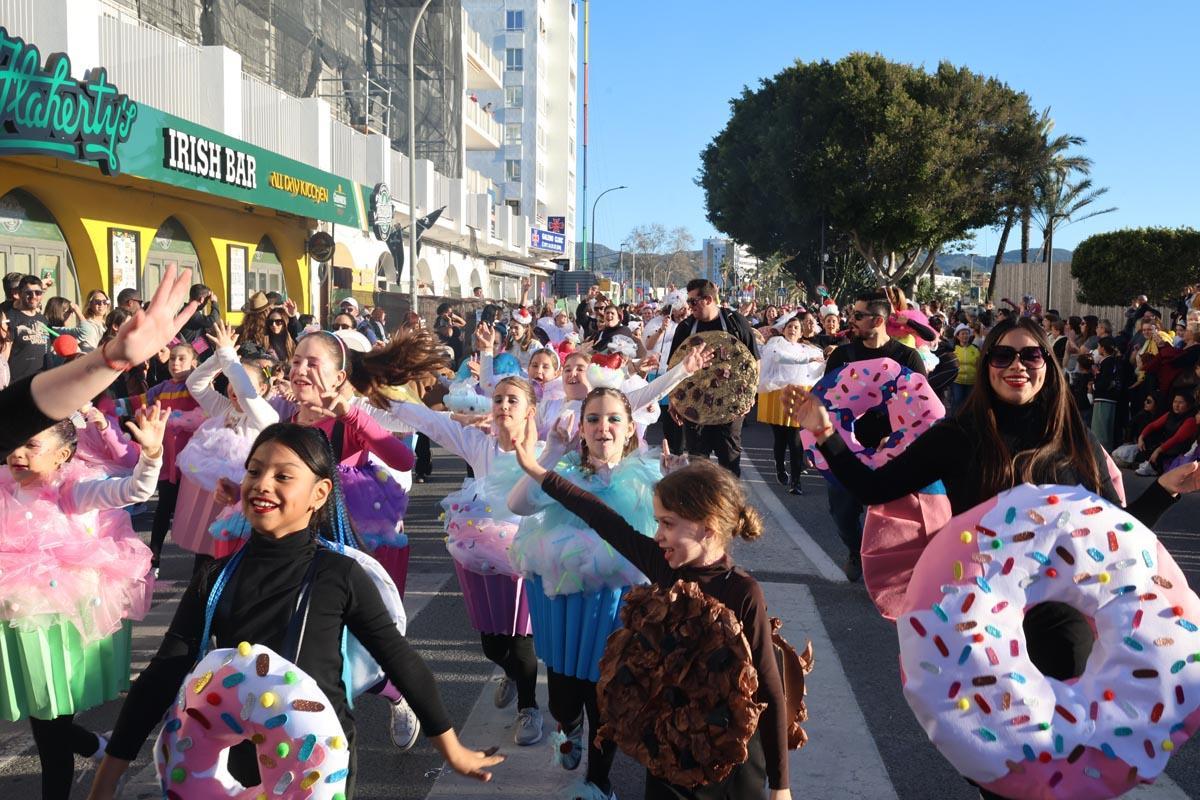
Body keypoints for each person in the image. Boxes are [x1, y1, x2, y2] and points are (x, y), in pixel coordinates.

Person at [86, 423, 504, 799]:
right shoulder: (214, 578)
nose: (262, 484)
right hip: (234, 760)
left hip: (317, 761)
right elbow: (162, 675)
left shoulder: (339, 575)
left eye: (283, 475)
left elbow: (400, 660)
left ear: (319, 493)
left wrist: (452, 749)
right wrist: (108, 777)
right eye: (254, 471)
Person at [510, 432, 792, 800]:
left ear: (707, 527)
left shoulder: (742, 591)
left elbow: (769, 689)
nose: (657, 534)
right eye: (658, 522)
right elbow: (600, 516)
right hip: (671, 748)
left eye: (668, 524)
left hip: (730, 757)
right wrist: (537, 471)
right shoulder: (666, 568)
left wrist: (781, 786)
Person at [5, 406, 168, 800]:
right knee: (42, 715)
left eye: (30, 445)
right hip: (16, 622)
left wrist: (152, 455)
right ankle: (96, 746)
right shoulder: (5, 486)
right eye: (13, 444)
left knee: (49, 720)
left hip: (58, 623)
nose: (17, 454)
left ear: (62, 455)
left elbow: (135, 490)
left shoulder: (75, 492)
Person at [385, 376, 546, 747]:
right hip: (482, 548)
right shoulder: (480, 444)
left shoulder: (544, 449)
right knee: (493, 645)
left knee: (522, 640)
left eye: (513, 401)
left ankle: (529, 706)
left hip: (528, 552)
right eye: (499, 399)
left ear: (529, 411)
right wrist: (380, 395)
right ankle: (511, 674)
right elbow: (428, 421)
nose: (504, 406)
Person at [0, 263, 200, 460]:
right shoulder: (13, 318)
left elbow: (20, 411)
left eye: (38, 293)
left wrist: (112, 359)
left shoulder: (40, 320)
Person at [820, 289, 926, 581]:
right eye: (851, 314)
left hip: (892, 451)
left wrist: (897, 437)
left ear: (878, 320)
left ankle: (881, 565)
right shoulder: (843, 354)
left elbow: (922, 406)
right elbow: (825, 399)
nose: (850, 320)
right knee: (841, 514)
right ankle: (856, 550)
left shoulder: (908, 357)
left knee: (888, 518)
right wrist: (816, 446)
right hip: (844, 450)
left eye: (857, 315)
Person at [667, 279, 758, 476]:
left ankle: (731, 505)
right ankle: (702, 504)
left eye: (693, 302)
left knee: (730, 461)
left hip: (730, 403)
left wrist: (751, 395)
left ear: (708, 299)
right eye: (688, 302)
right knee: (697, 463)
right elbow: (673, 366)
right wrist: (674, 401)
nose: (689, 307)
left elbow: (754, 361)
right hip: (695, 403)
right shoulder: (685, 327)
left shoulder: (735, 322)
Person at [5, 274, 51, 383]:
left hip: (41, 383)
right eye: (28, 293)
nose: (34, 296)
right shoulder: (10, 318)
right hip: (17, 384)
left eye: (38, 293)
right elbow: (3, 356)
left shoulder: (43, 319)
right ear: (20, 294)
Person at [950, 323, 980, 413]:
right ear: (958, 336)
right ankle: (953, 421)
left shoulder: (975, 349)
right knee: (957, 401)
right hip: (957, 381)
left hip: (972, 381)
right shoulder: (953, 349)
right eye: (962, 333)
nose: (965, 335)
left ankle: (966, 422)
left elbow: (978, 364)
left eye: (967, 333)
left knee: (969, 403)